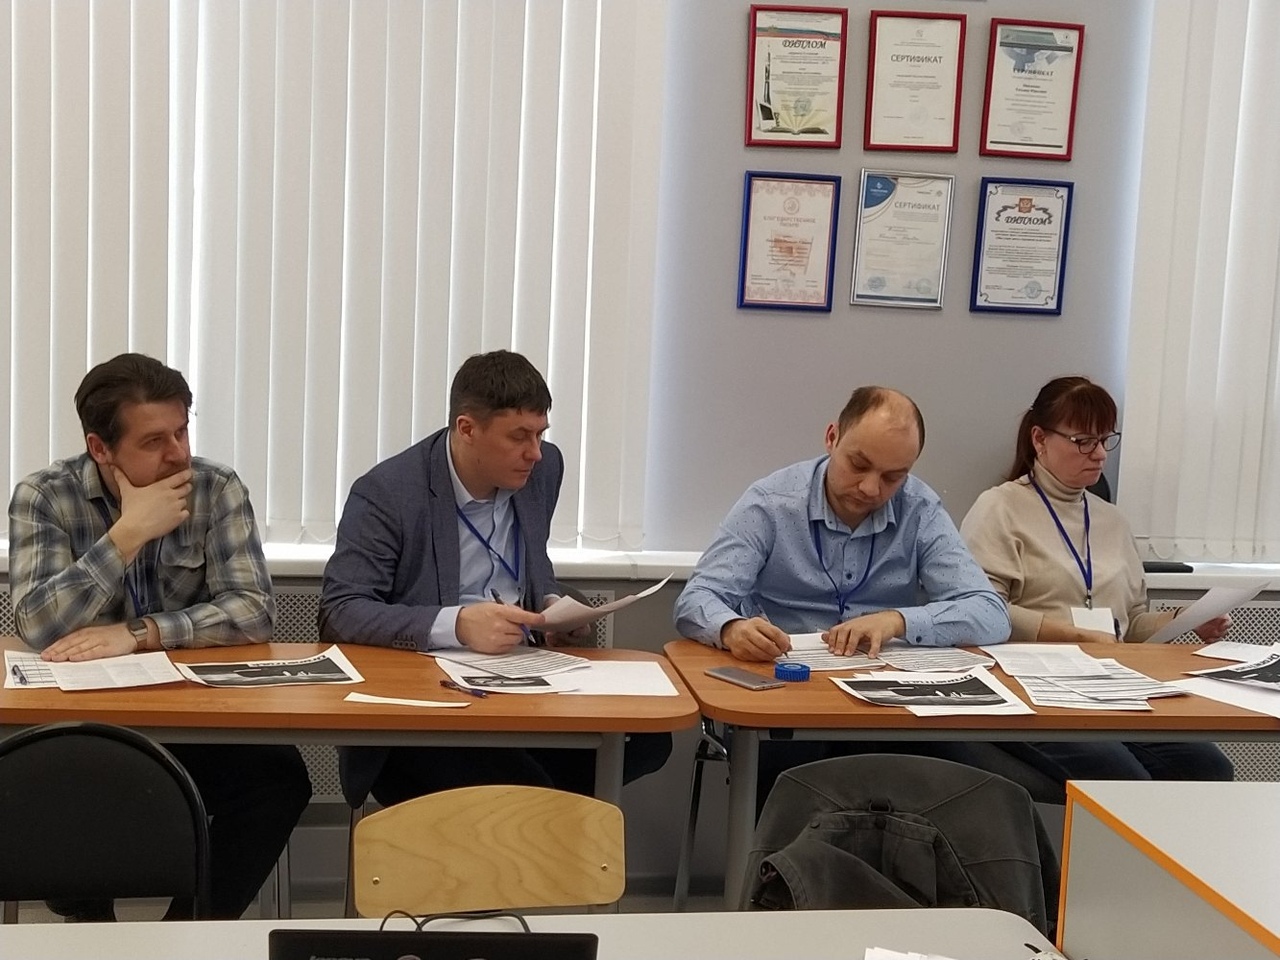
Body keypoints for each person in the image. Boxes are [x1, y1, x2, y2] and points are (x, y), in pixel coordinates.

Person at [7, 352, 312, 920]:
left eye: (181, 431)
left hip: (194, 721)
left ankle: (187, 935)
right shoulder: (44, 496)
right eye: (153, 441)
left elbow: (253, 611)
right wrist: (127, 535)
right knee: (64, 793)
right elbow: (37, 624)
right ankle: (93, 939)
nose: (178, 453)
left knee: (280, 780)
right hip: (86, 726)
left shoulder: (216, 488)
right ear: (100, 448)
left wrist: (141, 633)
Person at [319, 349, 670, 808]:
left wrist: (551, 607)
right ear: (467, 429)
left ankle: (528, 828)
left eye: (540, 434)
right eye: (519, 436)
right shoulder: (388, 493)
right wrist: (457, 624)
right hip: (427, 708)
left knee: (646, 739)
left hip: (520, 679)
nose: (535, 452)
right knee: (527, 789)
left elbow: (530, 562)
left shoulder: (542, 469)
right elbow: (341, 612)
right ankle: (538, 830)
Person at [674, 386, 1011, 788]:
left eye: (893, 477)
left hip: (887, 703)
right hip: (787, 695)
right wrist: (732, 628)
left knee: (960, 771)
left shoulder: (920, 509)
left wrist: (898, 621)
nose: (870, 488)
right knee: (792, 772)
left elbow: (990, 612)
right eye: (858, 465)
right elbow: (697, 598)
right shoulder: (771, 503)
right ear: (832, 437)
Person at [959, 375, 1233, 782]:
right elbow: (979, 612)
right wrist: (1073, 636)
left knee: (1210, 767)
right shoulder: (999, 508)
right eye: (1083, 441)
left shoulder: (1112, 521)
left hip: (1110, 684)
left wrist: (1184, 620)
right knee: (1124, 780)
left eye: (1105, 440)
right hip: (1031, 687)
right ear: (1040, 439)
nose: (1100, 454)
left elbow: (1130, 624)